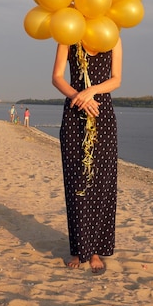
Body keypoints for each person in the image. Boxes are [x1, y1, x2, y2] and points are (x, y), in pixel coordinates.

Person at [52, 37, 122, 273]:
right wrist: (77, 96)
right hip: (74, 113)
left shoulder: (112, 37)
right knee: (76, 180)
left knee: (101, 182)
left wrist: (91, 91)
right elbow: (57, 77)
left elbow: (116, 79)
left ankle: (94, 251)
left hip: (101, 111)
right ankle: (78, 248)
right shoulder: (68, 36)